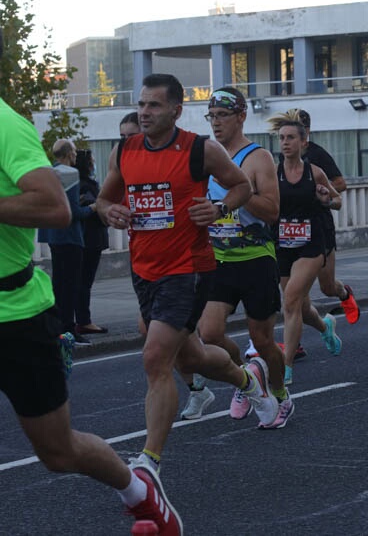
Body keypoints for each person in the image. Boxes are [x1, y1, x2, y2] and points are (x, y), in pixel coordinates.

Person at [0, 95, 183, 534]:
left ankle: (139, 491)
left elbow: (54, 208)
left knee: (58, 451)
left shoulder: (6, 127)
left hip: (15, 315)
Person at [97, 73, 279, 472]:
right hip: (144, 268)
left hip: (190, 268)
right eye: (142, 104)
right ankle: (249, 381)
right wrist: (109, 211)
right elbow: (103, 199)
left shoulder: (200, 149)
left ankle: (149, 462)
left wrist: (218, 209)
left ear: (176, 110)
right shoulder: (124, 151)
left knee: (155, 357)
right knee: (193, 356)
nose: (145, 112)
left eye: (154, 105)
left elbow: (241, 187)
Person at [181, 88, 291, 426]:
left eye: (222, 116)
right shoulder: (206, 156)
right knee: (210, 333)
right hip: (218, 260)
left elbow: (272, 212)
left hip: (256, 258)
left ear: (241, 116)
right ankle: (246, 378)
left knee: (262, 340)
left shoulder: (257, 158)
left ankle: (281, 394)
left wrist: (237, 194)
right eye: (211, 117)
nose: (215, 123)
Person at [269, 109, 344, 385]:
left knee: (289, 301)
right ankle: (325, 326)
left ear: (303, 143)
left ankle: (286, 367)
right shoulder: (272, 173)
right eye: (282, 138)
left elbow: (337, 201)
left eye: (291, 138)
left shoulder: (314, 172)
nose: (286, 143)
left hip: (311, 244)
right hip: (283, 245)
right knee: (299, 306)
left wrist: (325, 199)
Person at [289, 109, 360, 324]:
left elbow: (340, 183)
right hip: (292, 230)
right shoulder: (283, 158)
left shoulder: (317, 155)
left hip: (320, 225)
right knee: (294, 291)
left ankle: (344, 294)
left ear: (306, 132)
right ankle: (295, 342)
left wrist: (314, 190)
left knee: (327, 287)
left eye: (295, 129)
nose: (288, 136)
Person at [38, 139, 96, 344]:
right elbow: (73, 212)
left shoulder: (48, 171)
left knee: (58, 284)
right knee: (71, 285)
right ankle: (69, 328)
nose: (75, 154)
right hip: (70, 237)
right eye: (73, 151)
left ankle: (56, 326)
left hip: (53, 236)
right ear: (69, 153)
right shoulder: (71, 174)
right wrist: (93, 208)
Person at [74, 148, 110, 337]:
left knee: (81, 281)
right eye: (92, 161)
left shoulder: (79, 183)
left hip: (89, 239)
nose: (94, 163)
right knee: (84, 282)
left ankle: (81, 319)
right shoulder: (85, 185)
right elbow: (92, 209)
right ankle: (84, 321)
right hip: (90, 239)